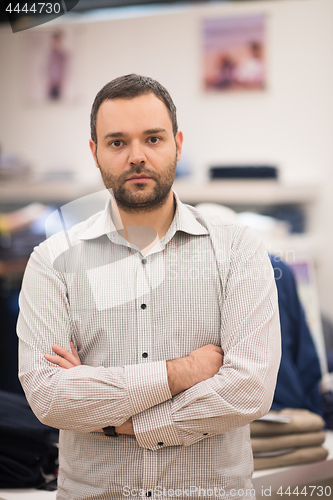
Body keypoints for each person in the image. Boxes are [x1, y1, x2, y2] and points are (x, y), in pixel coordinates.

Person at [17, 74, 281, 500]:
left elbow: (248, 389)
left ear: (177, 144)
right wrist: (182, 373)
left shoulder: (237, 249)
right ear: (95, 153)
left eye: (153, 139)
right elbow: (49, 397)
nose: (136, 156)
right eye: (117, 143)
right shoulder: (52, 261)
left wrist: (122, 421)